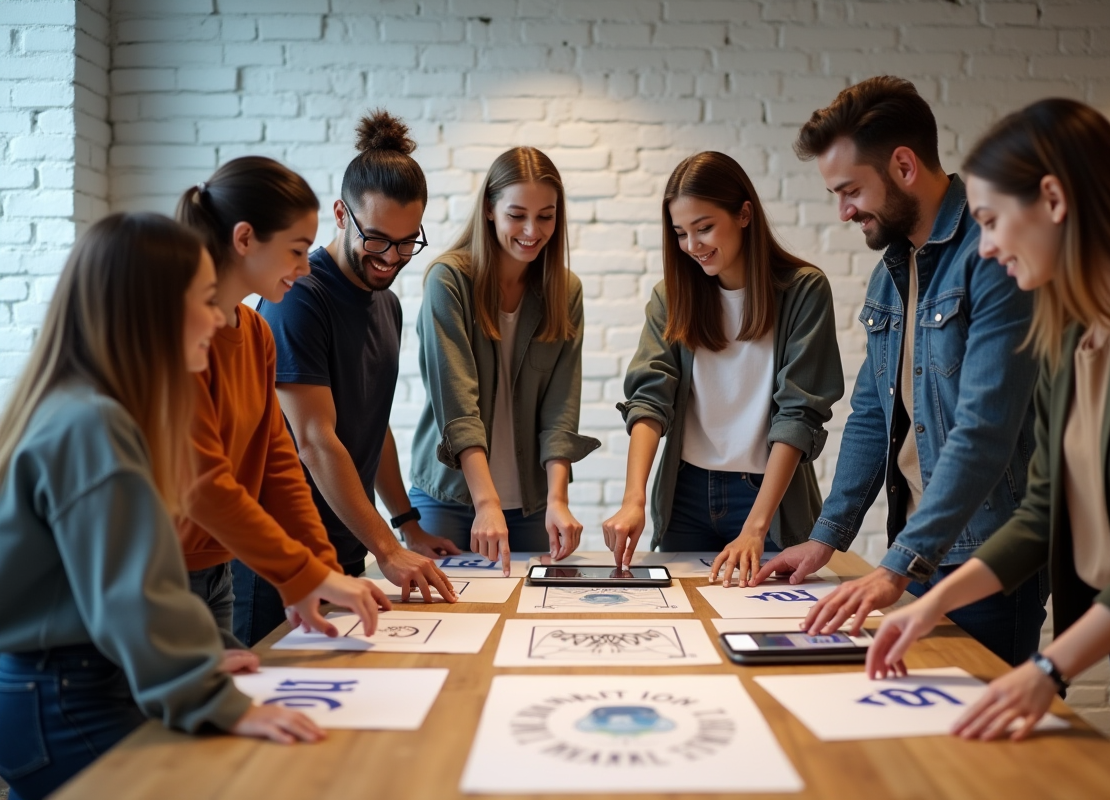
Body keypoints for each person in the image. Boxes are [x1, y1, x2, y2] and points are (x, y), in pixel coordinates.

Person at [865, 98, 1110, 795]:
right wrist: (929, 604)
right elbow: (1040, 512)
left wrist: (1047, 670)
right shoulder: (1072, 335)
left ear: (1052, 198)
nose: (984, 246)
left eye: (988, 221)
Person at [0, 214, 324, 800]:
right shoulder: (91, 425)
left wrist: (204, 658)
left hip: (82, 679)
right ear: (149, 312)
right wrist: (206, 694)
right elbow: (133, 593)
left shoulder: (91, 409)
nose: (220, 317)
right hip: (63, 694)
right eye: (205, 300)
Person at [754, 76, 1048, 667]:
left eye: (850, 190)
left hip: (984, 556)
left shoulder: (991, 256)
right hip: (913, 552)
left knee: (984, 738)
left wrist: (898, 565)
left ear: (905, 166)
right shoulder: (891, 268)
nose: (842, 212)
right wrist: (826, 537)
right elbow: (871, 414)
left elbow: (984, 432)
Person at [253, 110, 458, 647]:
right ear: (342, 214)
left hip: (344, 545)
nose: (391, 258)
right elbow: (317, 442)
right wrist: (388, 549)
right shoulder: (299, 299)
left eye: (407, 242)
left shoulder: (385, 305)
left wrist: (406, 523)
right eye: (378, 239)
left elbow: (370, 426)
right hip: (280, 557)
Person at [175, 157, 391, 646]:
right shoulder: (182, 334)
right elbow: (204, 482)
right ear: (245, 239)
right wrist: (302, 573)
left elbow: (278, 463)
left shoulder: (255, 333)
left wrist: (323, 568)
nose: (304, 265)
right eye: (296, 250)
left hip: (217, 571)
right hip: (161, 572)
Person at [602, 151, 843, 585]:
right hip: (687, 494)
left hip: (769, 500)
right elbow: (649, 399)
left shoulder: (804, 290)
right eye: (680, 233)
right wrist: (634, 497)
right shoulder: (672, 297)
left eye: (704, 227)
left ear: (744, 214)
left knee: (770, 621)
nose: (692, 246)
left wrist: (755, 527)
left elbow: (799, 414)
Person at [410, 147, 598, 577]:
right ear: (490, 210)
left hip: (531, 505)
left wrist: (558, 500)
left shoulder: (563, 290)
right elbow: (458, 406)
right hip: (452, 500)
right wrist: (487, 505)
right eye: (517, 215)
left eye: (546, 216)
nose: (532, 230)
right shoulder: (449, 281)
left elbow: (561, 407)